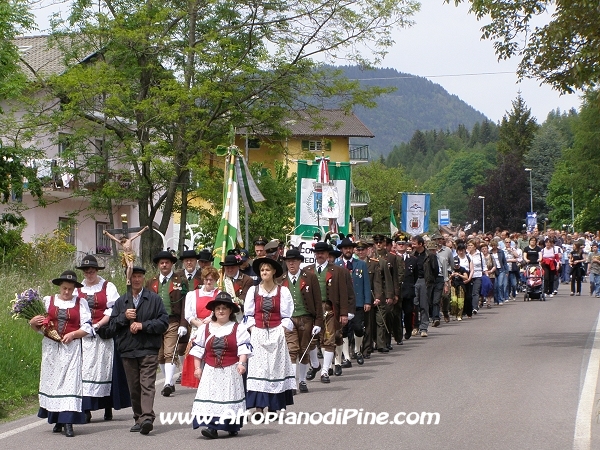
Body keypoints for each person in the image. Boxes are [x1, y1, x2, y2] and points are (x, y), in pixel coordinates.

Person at [29, 270, 93, 438]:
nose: (67, 292)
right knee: (53, 381)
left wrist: (73, 334)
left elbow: (87, 327)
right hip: (51, 348)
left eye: (70, 289)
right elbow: (39, 326)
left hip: (71, 348)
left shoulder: (81, 303)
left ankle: (68, 422)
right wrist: (32, 323)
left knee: (70, 383)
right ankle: (57, 419)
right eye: (64, 288)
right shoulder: (47, 301)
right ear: (59, 287)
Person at [106, 266, 169, 435]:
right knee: (134, 387)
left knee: (147, 384)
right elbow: (111, 326)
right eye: (133, 276)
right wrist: (123, 317)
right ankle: (138, 418)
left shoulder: (154, 299)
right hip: (128, 349)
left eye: (139, 276)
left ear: (143, 279)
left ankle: (147, 417)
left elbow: (163, 323)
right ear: (128, 279)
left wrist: (143, 325)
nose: (136, 279)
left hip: (148, 348)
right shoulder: (121, 302)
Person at [76, 255, 129, 423]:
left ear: (97, 271)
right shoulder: (78, 289)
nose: (89, 274)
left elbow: (113, 309)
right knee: (85, 370)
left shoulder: (108, 286)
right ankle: (86, 408)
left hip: (103, 333)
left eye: (91, 271)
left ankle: (107, 405)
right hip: (84, 335)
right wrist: (85, 328)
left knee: (104, 370)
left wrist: (97, 325)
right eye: (86, 271)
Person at [190, 292, 251, 439]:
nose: (221, 311)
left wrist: (242, 363)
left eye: (224, 308)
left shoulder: (238, 328)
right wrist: (198, 368)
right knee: (211, 398)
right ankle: (212, 428)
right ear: (214, 311)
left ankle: (231, 426)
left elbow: (244, 347)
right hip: (211, 370)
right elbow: (198, 350)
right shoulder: (205, 328)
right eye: (218, 308)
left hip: (230, 370)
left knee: (228, 399)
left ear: (230, 310)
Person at [244, 257, 296, 411]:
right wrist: (253, 329)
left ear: (273, 272)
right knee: (259, 370)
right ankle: (259, 407)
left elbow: (287, 315)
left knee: (274, 370)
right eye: (262, 270)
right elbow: (248, 314)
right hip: (258, 334)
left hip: (276, 334)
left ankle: (274, 407)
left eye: (267, 270)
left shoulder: (282, 291)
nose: (264, 272)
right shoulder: (253, 291)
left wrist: (281, 330)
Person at [145, 250, 189, 397]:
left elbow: (184, 304)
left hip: (173, 321)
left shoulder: (181, 281)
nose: (164, 265)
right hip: (156, 323)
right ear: (158, 265)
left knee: (170, 352)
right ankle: (168, 381)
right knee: (160, 355)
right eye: (162, 263)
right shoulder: (151, 282)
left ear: (171, 264)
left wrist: (183, 323)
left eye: (167, 262)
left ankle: (167, 383)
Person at [280, 248, 323, 393]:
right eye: (288, 261)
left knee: (304, 350)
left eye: (294, 261)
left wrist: (318, 323)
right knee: (292, 350)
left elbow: (317, 301)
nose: (291, 264)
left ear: (299, 262)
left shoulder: (310, 277)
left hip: (306, 318)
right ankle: (292, 382)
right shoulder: (281, 280)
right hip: (288, 319)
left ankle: (303, 381)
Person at [181, 266, 221, 388]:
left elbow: (220, 312)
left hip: (214, 329)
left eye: (212, 279)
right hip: (197, 330)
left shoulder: (219, 294)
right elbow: (188, 315)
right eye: (206, 279)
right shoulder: (192, 295)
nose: (209, 282)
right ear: (203, 279)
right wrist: (199, 324)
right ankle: (200, 388)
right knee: (197, 358)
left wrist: (211, 319)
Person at [335, 238, 371, 364]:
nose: (348, 250)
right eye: (345, 248)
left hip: (358, 302)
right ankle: (346, 357)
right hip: (343, 304)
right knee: (343, 331)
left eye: (350, 248)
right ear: (342, 250)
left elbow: (366, 283)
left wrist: (367, 301)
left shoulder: (360, 264)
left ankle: (357, 349)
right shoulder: (337, 265)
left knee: (358, 328)